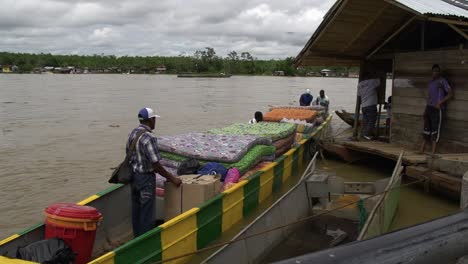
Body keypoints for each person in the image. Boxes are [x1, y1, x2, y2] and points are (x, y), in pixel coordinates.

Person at [127, 107, 182, 237]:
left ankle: (137, 238)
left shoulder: (132, 134)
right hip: (145, 179)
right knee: (147, 213)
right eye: (154, 119)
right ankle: (145, 242)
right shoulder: (149, 138)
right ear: (151, 120)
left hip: (133, 178)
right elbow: (156, 165)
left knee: (137, 210)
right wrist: (172, 178)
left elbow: (129, 156)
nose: (155, 122)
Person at [420, 64, 453, 154]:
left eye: (437, 71)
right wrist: (425, 109)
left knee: (435, 129)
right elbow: (429, 97)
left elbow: (450, 94)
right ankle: (421, 150)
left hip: (437, 109)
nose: (435, 72)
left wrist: (440, 103)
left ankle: (433, 153)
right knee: (426, 128)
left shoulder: (442, 81)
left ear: (439, 72)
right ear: (432, 72)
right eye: (434, 71)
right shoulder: (430, 82)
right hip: (429, 107)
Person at [357, 73, 380, 140]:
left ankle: (363, 134)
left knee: (366, 120)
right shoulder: (372, 81)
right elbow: (380, 80)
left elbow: (359, 95)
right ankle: (367, 134)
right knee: (372, 120)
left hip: (364, 106)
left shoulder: (360, 84)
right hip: (371, 105)